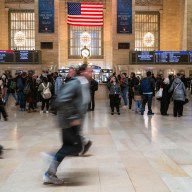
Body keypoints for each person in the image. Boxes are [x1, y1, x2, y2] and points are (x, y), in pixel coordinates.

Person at [43, 64, 92, 185]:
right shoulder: (75, 83)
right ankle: (51, 158)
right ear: (82, 72)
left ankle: (50, 173)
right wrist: (72, 117)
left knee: (68, 146)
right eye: (90, 71)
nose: (92, 73)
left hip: (72, 123)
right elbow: (63, 100)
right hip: (68, 121)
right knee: (76, 147)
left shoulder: (84, 84)